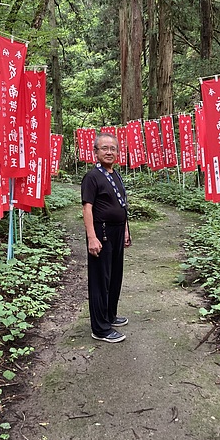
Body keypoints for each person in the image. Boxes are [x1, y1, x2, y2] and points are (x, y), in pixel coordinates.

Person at [81, 132, 131, 343]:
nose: (109, 152)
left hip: (118, 231)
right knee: (101, 280)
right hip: (101, 232)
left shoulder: (115, 174)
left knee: (115, 276)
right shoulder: (92, 177)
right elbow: (87, 208)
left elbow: (122, 205)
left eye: (113, 148)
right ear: (96, 152)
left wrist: (126, 229)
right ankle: (100, 328)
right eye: (105, 148)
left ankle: (110, 315)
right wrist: (92, 237)